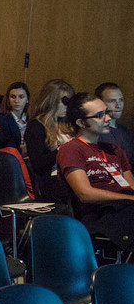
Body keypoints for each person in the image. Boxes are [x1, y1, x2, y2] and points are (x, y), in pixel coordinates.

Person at [58, 93, 134, 252]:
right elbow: (85, 194)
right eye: (99, 116)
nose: (107, 118)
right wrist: (127, 198)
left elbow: (130, 186)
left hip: (125, 210)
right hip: (99, 215)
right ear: (81, 122)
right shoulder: (71, 149)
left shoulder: (114, 149)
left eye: (106, 112)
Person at [25, 79, 75, 204]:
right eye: (64, 102)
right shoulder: (36, 126)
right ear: (51, 101)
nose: (67, 106)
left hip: (76, 174)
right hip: (53, 180)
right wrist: (62, 150)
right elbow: (38, 165)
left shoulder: (71, 125)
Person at [97, 82, 134, 160]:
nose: (118, 105)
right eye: (112, 101)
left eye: (121, 100)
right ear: (100, 103)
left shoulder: (125, 131)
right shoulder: (96, 131)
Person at [0, 82, 30, 152]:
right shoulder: (3, 120)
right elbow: (6, 145)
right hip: (13, 156)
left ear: (27, 99)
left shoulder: (31, 119)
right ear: (8, 99)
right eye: (13, 97)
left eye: (21, 97)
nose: (17, 101)